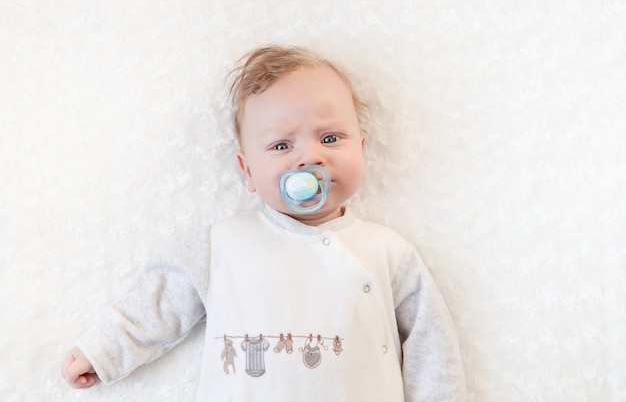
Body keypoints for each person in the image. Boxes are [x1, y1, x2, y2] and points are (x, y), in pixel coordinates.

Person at [61, 45, 467, 402]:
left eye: (330, 138)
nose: (309, 158)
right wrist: (106, 350)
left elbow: (432, 349)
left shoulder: (388, 253)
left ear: (361, 147)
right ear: (248, 170)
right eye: (281, 145)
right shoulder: (223, 245)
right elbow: (160, 298)